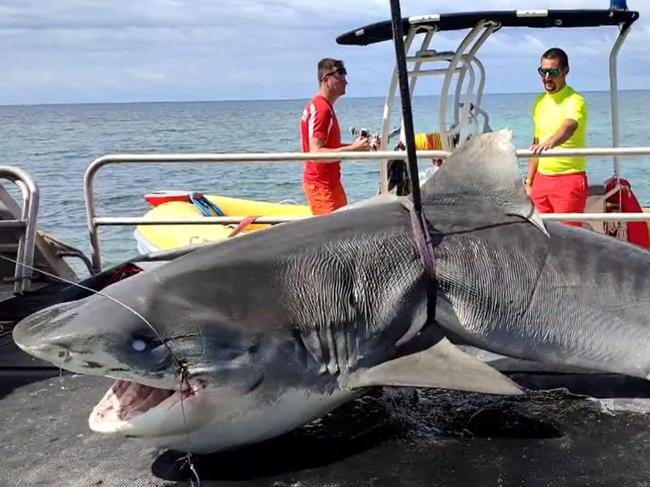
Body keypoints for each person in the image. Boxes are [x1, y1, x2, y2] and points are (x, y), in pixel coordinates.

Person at [526, 47, 588, 227]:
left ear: (565, 71)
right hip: (541, 180)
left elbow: (569, 126)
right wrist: (529, 182)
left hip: (568, 179)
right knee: (539, 234)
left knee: (569, 238)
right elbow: (536, 143)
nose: (547, 77)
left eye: (552, 72)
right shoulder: (539, 102)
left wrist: (550, 143)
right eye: (542, 71)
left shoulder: (575, 100)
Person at [300, 58, 370, 215]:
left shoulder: (323, 107)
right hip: (322, 186)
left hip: (329, 183)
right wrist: (352, 149)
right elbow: (316, 153)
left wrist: (357, 148)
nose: (345, 81)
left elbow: (327, 148)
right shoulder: (321, 109)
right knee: (332, 233)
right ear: (325, 80)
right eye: (340, 75)